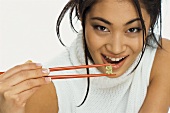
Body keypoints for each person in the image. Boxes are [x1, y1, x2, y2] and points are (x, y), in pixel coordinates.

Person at [0, 0, 169, 113]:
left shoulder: (162, 56)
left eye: (133, 30)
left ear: (151, 24)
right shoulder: (51, 88)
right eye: (102, 28)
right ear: (82, 16)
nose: (116, 48)